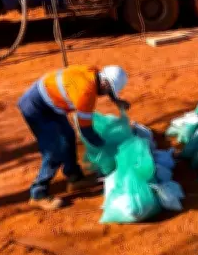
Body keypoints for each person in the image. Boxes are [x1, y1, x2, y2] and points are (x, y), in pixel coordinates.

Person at [18, 65, 130, 210]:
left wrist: (116, 100)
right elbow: (87, 132)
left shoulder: (95, 74)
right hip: (36, 108)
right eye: (109, 90)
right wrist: (109, 149)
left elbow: (105, 84)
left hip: (51, 103)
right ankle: (38, 194)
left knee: (68, 136)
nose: (107, 93)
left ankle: (74, 178)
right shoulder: (86, 93)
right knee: (55, 149)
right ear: (104, 83)